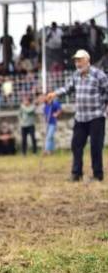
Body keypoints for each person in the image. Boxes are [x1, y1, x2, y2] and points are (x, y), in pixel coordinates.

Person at [46, 49, 108, 182]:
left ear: (87, 60)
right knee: (76, 145)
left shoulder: (99, 75)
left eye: (80, 60)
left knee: (96, 147)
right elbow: (67, 88)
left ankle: (98, 175)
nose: (77, 63)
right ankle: (76, 174)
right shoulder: (75, 75)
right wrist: (55, 94)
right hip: (80, 117)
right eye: (76, 61)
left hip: (96, 116)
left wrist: (105, 108)